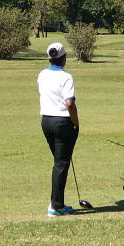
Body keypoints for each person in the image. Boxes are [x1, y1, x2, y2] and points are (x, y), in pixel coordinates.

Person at [38, 42, 79, 217]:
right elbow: (69, 103)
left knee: (59, 162)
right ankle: (56, 205)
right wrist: (76, 123)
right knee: (61, 164)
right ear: (63, 59)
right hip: (62, 122)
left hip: (46, 121)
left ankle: (57, 202)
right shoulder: (66, 77)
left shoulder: (42, 74)